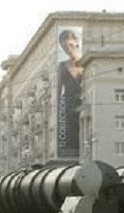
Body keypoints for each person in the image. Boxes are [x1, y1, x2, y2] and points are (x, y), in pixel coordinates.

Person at [57, 29, 83, 157]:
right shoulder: (62, 66)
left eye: (70, 45)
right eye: (64, 47)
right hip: (68, 110)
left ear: (77, 42)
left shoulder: (87, 62)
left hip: (84, 107)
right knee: (71, 139)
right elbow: (58, 90)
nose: (68, 49)